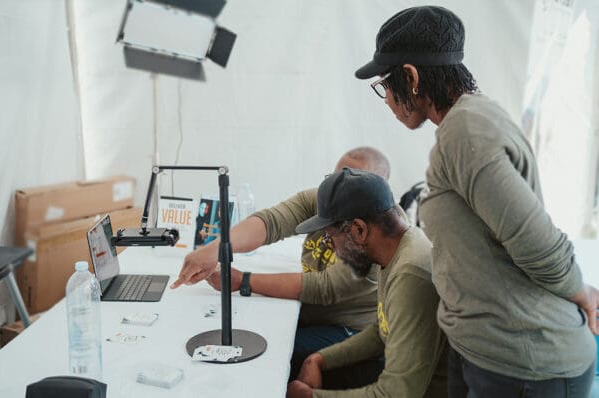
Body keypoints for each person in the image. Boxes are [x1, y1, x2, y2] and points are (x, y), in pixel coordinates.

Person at [354, 5, 598, 397]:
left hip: (524, 364)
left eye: (385, 83)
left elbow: (537, 241)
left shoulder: (466, 132)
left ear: (412, 77)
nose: (385, 98)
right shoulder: (464, 125)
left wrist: (584, 294)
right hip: (483, 351)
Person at [171, 147, 392, 383]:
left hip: (351, 330)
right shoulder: (327, 200)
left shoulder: (378, 232)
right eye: (336, 180)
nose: (340, 191)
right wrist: (215, 248)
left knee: (271, 354)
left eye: (352, 186)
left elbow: (323, 287)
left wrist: (242, 280)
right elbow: (273, 221)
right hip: (312, 312)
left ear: (378, 189)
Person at [286, 168, 447, 398]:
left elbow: (395, 394)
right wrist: (320, 359)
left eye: (332, 237)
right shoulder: (394, 250)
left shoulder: (410, 275)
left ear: (359, 230)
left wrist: (311, 397)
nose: (331, 247)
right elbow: (382, 330)